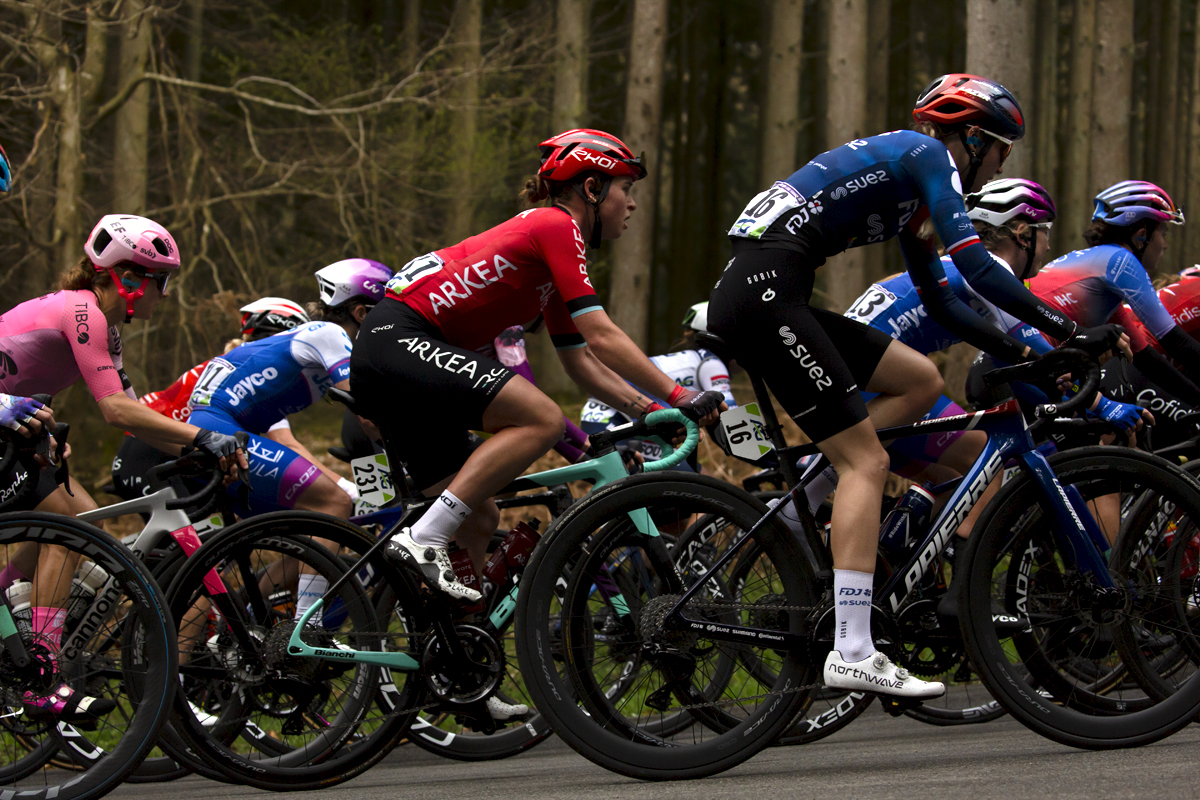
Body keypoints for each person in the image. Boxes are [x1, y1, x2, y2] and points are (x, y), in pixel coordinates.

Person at [709, 74, 1122, 700]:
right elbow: (980, 265)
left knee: (918, 377)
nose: (999, 164)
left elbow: (945, 297)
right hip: (765, 294)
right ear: (974, 138)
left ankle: (811, 494)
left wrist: (1021, 352)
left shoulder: (911, 189)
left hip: (764, 289)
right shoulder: (928, 157)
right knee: (867, 461)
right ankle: (851, 647)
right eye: (1002, 149)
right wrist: (1065, 328)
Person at [350, 128, 725, 606]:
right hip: (399, 338)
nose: (631, 205)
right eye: (626, 189)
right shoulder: (556, 226)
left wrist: (648, 412)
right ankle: (423, 539)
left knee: (479, 518)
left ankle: (454, 653)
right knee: (543, 418)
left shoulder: (547, 261)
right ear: (592, 188)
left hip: (394, 356)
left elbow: (580, 362)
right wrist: (681, 396)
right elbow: (602, 335)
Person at [0, 214, 245, 721]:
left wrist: (199, 453)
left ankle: (17, 629)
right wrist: (203, 435)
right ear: (127, 278)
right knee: (72, 527)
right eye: (163, 281)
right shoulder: (83, 312)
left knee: (81, 518)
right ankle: (40, 673)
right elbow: (114, 409)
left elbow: (138, 421)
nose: (167, 294)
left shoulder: (101, 328)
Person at [111, 297, 312, 504]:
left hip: (177, 451)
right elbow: (285, 442)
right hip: (149, 452)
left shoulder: (240, 364)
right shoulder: (251, 375)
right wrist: (343, 489)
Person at [1025, 180, 1200, 409]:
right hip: (1031, 368)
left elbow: (1147, 359)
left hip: (1021, 364)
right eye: (1163, 233)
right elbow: (1174, 340)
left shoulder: (1101, 279)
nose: (1165, 245)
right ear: (1141, 235)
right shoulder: (1121, 261)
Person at [579, 301, 737, 470]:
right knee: (691, 481)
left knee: (692, 478)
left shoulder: (689, 359)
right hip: (612, 418)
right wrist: (768, 453)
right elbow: (733, 420)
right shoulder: (711, 363)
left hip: (609, 417)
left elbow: (722, 428)